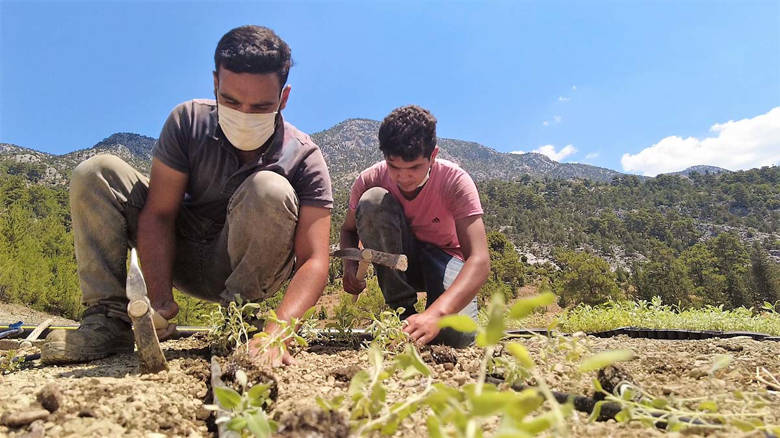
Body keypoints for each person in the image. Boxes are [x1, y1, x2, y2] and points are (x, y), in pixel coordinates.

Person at [42, 25, 333, 366]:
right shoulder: (187, 122)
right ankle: (108, 320)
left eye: (260, 106)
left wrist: (278, 331)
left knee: (269, 188)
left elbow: (314, 259)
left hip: (248, 270)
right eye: (231, 101)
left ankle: (237, 322)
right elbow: (159, 213)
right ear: (215, 84)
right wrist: (159, 298)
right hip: (180, 252)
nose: (243, 115)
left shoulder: (304, 157)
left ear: (283, 99)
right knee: (96, 172)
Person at [340, 105, 489, 347]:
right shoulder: (369, 179)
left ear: (433, 155)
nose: (403, 177)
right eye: (394, 167)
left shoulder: (455, 180)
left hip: (443, 257)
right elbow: (348, 230)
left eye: (414, 168)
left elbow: (480, 260)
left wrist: (436, 315)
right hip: (398, 260)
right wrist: (350, 266)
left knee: (455, 336)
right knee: (373, 199)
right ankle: (403, 313)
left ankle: (429, 317)